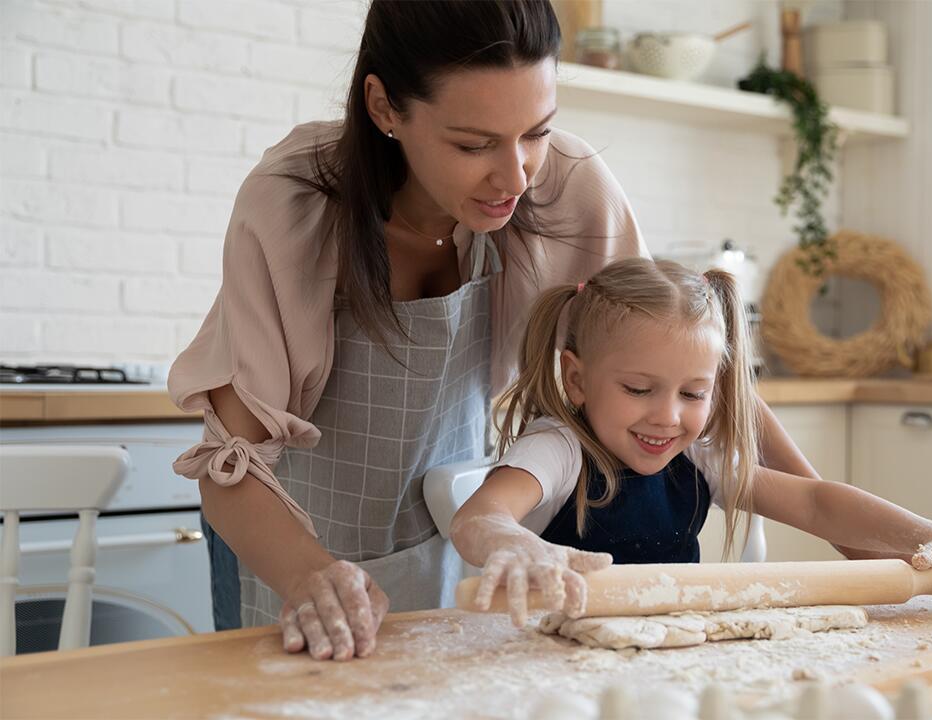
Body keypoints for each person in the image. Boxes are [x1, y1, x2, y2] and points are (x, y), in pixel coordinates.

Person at [168, 0, 652, 661]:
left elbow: (679, 352)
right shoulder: (295, 202)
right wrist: (311, 575)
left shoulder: (562, 183)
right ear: (384, 107)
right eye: (473, 144)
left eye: (536, 132)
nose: (515, 176)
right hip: (283, 547)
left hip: (443, 539)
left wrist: (826, 507)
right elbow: (232, 468)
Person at [450, 258, 932, 627]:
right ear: (576, 379)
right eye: (638, 389)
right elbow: (478, 518)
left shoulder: (695, 457)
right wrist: (513, 543)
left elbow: (815, 502)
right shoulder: (559, 449)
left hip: (674, 651)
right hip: (558, 661)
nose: (667, 417)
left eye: (693, 393)